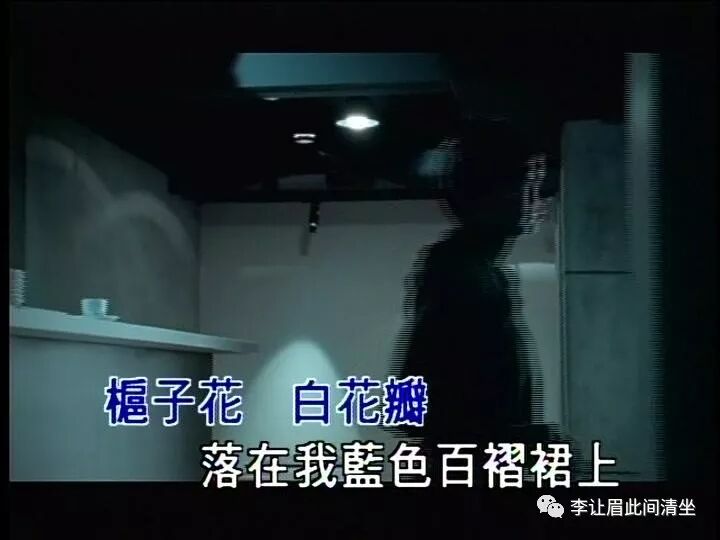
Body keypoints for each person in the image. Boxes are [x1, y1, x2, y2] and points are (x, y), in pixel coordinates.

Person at [399, 117, 541, 480]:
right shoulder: (460, 272)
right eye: (522, 185)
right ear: (488, 195)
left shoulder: (476, 270)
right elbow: (425, 380)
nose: (530, 199)